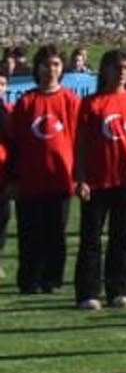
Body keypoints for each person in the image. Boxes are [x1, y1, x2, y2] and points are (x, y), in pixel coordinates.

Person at [76, 49, 126, 312]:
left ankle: (118, 290)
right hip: (96, 180)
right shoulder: (92, 103)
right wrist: (81, 177)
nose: (121, 73)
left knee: (121, 237)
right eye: (116, 67)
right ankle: (88, 292)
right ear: (105, 70)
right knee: (91, 238)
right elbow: (81, 144)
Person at [6, 45, 81, 295]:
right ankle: (29, 280)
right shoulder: (26, 102)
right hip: (30, 179)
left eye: (57, 64)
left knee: (56, 233)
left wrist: (80, 176)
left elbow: (80, 141)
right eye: (47, 64)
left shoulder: (71, 100)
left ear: (63, 69)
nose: (52, 70)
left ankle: (53, 279)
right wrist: (13, 178)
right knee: (29, 233)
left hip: (61, 178)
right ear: (37, 68)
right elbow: (14, 143)